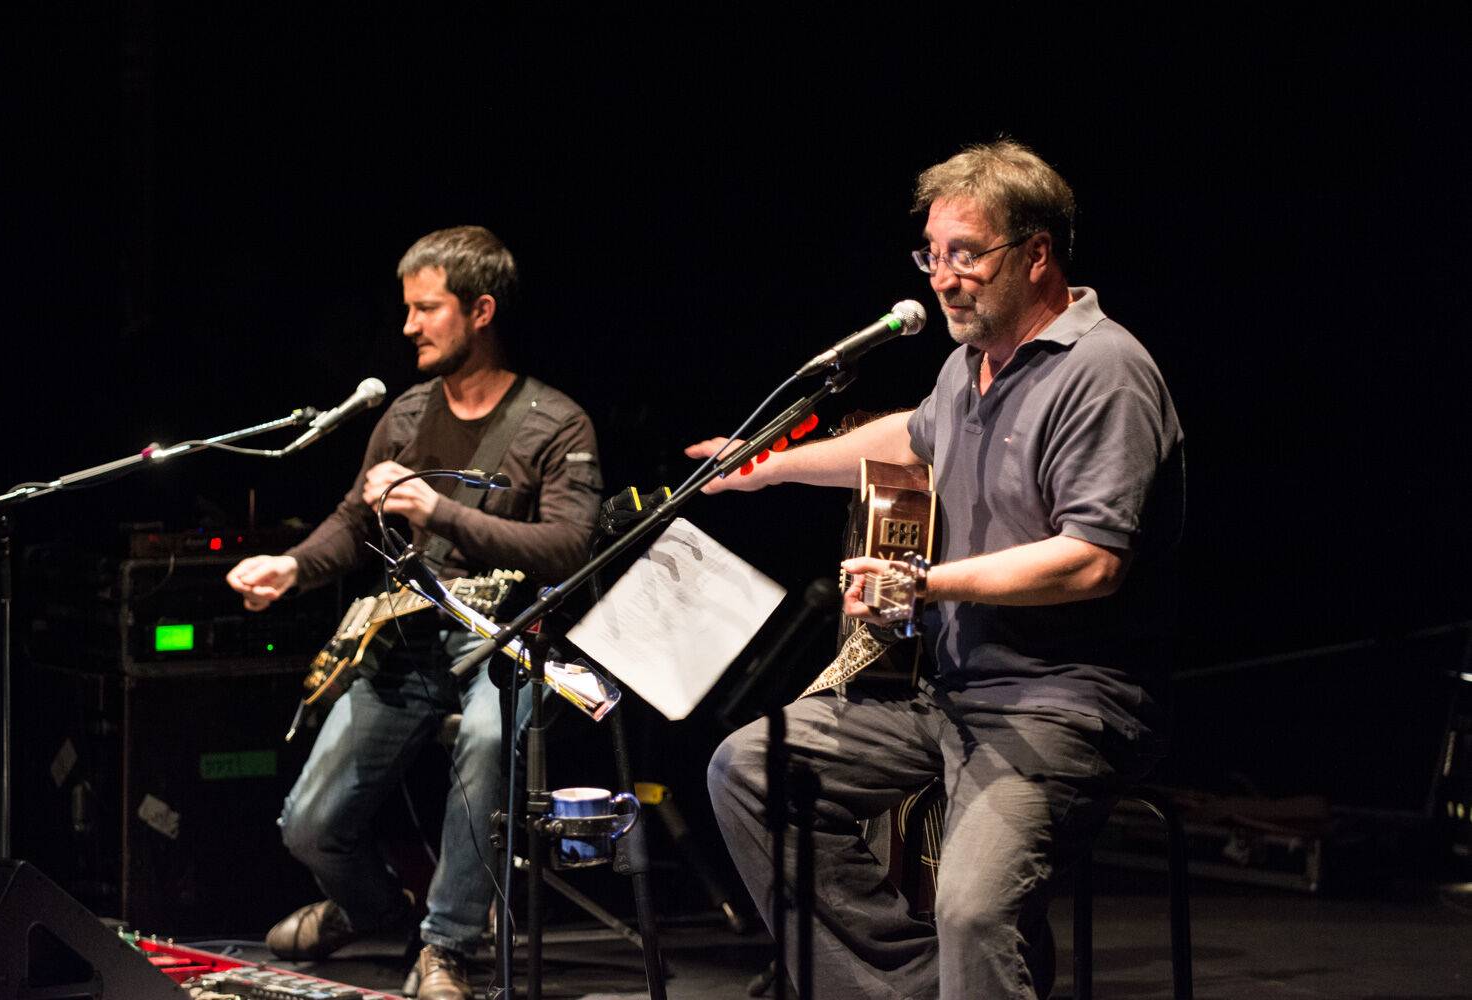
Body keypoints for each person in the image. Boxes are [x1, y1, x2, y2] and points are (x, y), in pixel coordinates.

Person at [693, 140, 1184, 999]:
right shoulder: (967, 366)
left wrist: (924, 583)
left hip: (1067, 704)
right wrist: (768, 463)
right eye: (933, 254)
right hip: (952, 697)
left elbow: (1092, 562)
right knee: (750, 770)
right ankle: (918, 990)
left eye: (968, 254)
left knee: (972, 912)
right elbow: (911, 438)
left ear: (1036, 255)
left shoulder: (1105, 372)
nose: (944, 277)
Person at [226, 226, 601, 1000]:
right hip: (407, 646)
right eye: (408, 309)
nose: (408, 327)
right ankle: (369, 908)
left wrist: (441, 510)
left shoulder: (556, 422)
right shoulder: (403, 413)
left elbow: (569, 546)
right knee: (309, 823)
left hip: (503, 648)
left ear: (481, 309)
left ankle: (447, 949)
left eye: (427, 309)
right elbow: (352, 522)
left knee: (493, 741)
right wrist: (291, 567)